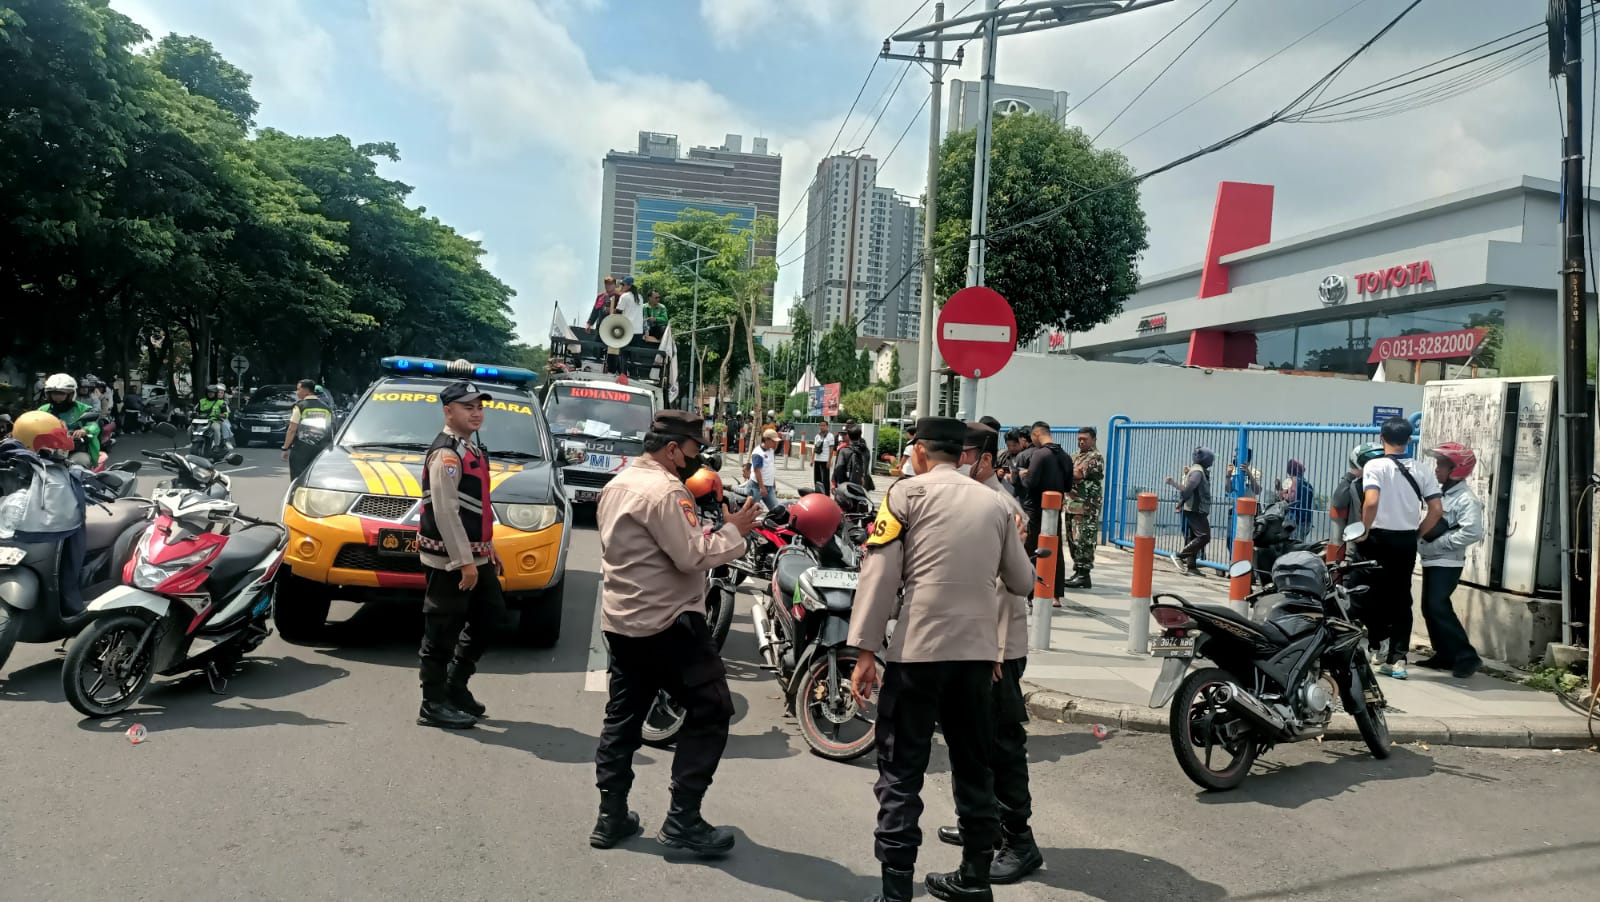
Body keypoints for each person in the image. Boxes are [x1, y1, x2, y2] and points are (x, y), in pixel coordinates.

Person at [849, 416, 1036, 902]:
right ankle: (974, 878)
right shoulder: (997, 504)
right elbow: (1023, 581)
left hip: (918, 652)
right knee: (975, 766)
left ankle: (895, 891)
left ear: (920, 452)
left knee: (900, 772)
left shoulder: (904, 496)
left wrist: (865, 650)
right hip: (976, 658)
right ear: (962, 455)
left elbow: (880, 574)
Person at [591, 410, 762, 855]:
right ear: (672, 449)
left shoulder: (619, 483)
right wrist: (733, 530)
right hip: (668, 623)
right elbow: (692, 556)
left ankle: (610, 818)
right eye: (692, 450)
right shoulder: (667, 491)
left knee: (623, 719)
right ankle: (684, 819)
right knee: (712, 709)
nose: (694, 459)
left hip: (623, 621)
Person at [934, 421, 1042, 886]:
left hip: (995, 649)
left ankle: (1020, 842)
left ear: (984, 459)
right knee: (972, 742)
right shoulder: (971, 500)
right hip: (972, 644)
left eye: (965, 454)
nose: (957, 462)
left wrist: (994, 653)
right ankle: (982, 825)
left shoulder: (999, 505)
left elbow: (1006, 590)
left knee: (1000, 746)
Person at [415, 381, 508, 729]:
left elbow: (477, 508)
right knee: (442, 629)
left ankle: (456, 684)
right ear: (448, 411)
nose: (476, 412)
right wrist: (465, 562)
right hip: (449, 560)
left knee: (491, 616)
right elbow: (445, 512)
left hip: (475, 555)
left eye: (479, 407)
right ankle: (432, 702)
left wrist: (487, 547)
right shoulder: (446, 454)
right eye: (468, 406)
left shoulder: (469, 448)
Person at [1357, 417, 1444, 679]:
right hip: (1405, 539)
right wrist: (1417, 533)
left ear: (1382, 438)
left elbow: (1371, 502)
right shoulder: (1423, 469)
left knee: (1370, 594)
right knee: (1401, 597)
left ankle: (1377, 645)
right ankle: (1398, 659)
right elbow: (1436, 510)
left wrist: (1364, 530)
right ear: (1409, 440)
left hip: (1377, 538)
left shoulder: (1375, 465)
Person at [1416, 442, 1485, 678]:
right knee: (1429, 608)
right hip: (1433, 560)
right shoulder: (1445, 493)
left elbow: (1473, 532)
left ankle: (1467, 656)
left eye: (1442, 465)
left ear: (1457, 468)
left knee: (1438, 607)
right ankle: (1444, 654)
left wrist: (1438, 545)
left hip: (1447, 561)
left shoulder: (1466, 499)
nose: (1437, 470)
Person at [1016, 422, 1072, 607]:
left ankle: (1031, 592)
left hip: (1035, 508)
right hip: (1055, 509)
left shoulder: (1040, 454)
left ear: (1037, 434)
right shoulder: (1065, 456)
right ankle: (1055, 594)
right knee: (1055, 549)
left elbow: (1030, 483)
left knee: (1031, 548)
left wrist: (1024, 474)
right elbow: (1068, 485)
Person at [1063, 426, 1104, 590]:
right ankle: (1077, 571)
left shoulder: (1095, 457)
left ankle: (1084, 574)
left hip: (1086, 506)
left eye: (1084, 439)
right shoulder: (1075, 456)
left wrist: (1066, 469)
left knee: (1084, 539)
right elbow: (1071, 471)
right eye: (1079, 439)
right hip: (1072, 505)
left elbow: (1078, 474)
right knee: (1073, 540)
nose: (1081, 442)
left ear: (1093, 440)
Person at [1165, 447, 1215, 576]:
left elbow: (1187, 488)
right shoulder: (1198, 472)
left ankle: (1191, 566)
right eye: (1211, 459)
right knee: (1204, 536)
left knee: (1193, 536)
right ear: (1206, 459)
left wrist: (1181, 501)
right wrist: (1182, 501)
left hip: (1196, 508)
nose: (1212, 461)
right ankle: (1179, 556)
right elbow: (1189, 488)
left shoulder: (1198, 470)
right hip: (1195, 509)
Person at [38, 373, 100, 464]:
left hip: (75, 449)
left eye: (61, 393)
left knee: (81, 462)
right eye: (54, 393)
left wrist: (85, 430)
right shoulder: (43, 410)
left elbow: (93, 424)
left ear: (71, 394)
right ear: (49, 394)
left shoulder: (83, 409)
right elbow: (32, 422)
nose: (57, 397)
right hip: (47, 448)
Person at [282, 379, 336, 479]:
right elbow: (331, 428)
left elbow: (292, 429)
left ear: (306, 390)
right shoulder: (326, 408)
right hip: (321, 449)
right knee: (316, 478)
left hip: (301, 449)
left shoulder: (300, 406)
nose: (297, 392)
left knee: (298, 479)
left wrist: (285, 448)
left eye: (298, 389)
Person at [1279, 459, 1315, 537]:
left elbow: (1290, 497)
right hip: (1306, 521)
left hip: (1294, 520)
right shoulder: (1308, 484)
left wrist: (1282, 493)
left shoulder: (1290, 480)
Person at [746, 429, 780, 510]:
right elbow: (757, 471)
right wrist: (761, 487)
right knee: (753, 511)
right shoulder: (758, 453)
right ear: (766, 440)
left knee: (776, 509)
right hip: (757, 486)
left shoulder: (771, 451)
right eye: (774, 441)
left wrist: (773, 483)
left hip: (769, 486)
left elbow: (770, 468)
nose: (776, 443)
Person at [833, 423, 869, 491]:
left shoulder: (844, 449)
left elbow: (838, 468)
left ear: (849, 435)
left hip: (845, 485)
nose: (842, 436)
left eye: (845, 434)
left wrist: (835, 483)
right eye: (842, 434)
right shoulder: (865, 450)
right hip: (862, 485)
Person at [196, 383, 233, 450]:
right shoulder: (202, 401)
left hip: (217, 420)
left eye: (222, 392)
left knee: (224, 425)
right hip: (203, 420)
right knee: (191, 428)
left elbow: (226, 413)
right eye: (218, 392)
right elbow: (196, 409)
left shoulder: (222, 402)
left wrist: (221, 415)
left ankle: (225, 441)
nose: (219, 394)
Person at [811, 420, 836, 494]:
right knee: (817, 479)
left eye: (823, 425)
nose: (822, 427)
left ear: (827, 426)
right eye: (821, 425)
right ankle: (818, 493)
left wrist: (829, 461)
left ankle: (826, 495)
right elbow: (815, 448)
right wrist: (812, 459)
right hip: (817, 460)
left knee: (824, 479)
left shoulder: (830, 436)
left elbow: (831, 449)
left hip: (825, 460)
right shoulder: (817, 436)